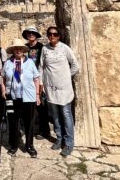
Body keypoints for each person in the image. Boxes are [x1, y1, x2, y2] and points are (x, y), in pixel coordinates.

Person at [40, 26, 80, 156]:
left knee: (66, 114)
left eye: (55, 34)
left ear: (59, 36)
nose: (52, 36)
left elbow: (75, 65)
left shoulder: (64, 48)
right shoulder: (45, 49)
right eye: (50, 34)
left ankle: (69, 143)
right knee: (55, 115)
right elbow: (41, 67)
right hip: (50, 87)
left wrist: (66, 76)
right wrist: (42, 84)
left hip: (64, 88)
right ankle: (59, 138)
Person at [0, 41, 41, 158]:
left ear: (24, 50)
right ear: (12, 50)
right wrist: (3, 90)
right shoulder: (8, 63)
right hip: (11, 97)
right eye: (16, 48)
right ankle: (14, 144)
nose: (18, 50)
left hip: (28, 98)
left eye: (21, 48)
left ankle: (29, 145)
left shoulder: (30, 63)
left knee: (29, 122)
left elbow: (36, 79)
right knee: (12, 121)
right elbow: (2, 78)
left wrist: (37, 95)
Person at [23, 26, 51, 140]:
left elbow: (44, 64)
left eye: (33, 33)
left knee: (41, 106)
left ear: (36, 35)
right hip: (26, 80)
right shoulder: (24, 48)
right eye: (29, 33)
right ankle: (28, 128)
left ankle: (44, 131)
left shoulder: (41, 47)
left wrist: (42, 81)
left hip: (38, 78)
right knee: (27, 106)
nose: (31, 35)